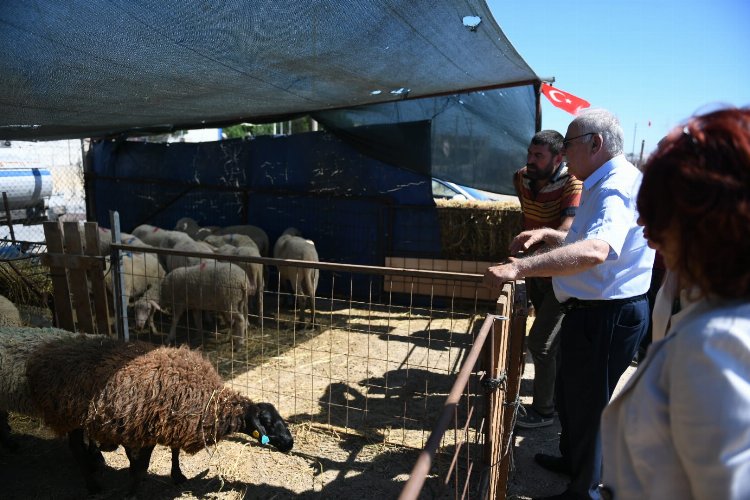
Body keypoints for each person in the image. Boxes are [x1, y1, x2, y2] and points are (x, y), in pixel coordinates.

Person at [483, 108, 654, 500]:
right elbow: (582, 238)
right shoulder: (601, 180)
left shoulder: (613, 187)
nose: (564, 153)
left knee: (591, 405)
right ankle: (574, 461)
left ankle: (584, 490)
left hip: (607, 313)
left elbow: (595, 250)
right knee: (572, 395)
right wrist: (546, 232)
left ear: (595, 144)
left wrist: (520, 269)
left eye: (570, 144)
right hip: (593, 309)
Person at [600, 107, 750, 499]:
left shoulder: (715, 345)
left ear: (710, 223)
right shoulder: (703, 304)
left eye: (662, 216)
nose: (646, 231)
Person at [513, 130, 582, 428]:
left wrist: (539, 238)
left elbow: (568, 232)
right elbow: (526, 213)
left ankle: (544, 411)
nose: (531, 160)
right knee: (550, 341)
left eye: (538, 156)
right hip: (534, 270)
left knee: (541, 342)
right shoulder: (521, 178)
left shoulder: (572, 183)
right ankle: (556, 397)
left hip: (560, 272)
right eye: (530, 153)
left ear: (559, 158)